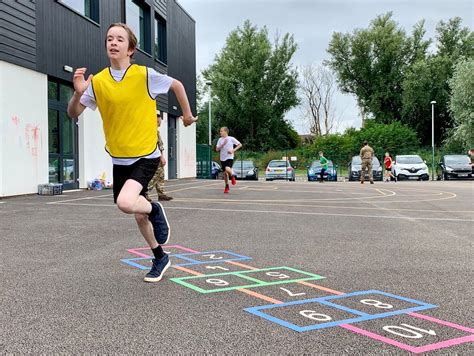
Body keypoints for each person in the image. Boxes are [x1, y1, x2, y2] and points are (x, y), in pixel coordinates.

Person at [67, 23, 197, 283]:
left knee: (126, 203)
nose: (113, 43)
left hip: (145, 154)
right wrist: (78, 93)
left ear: (131, 48)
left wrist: (186, 115)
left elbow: (178, 85)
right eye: (109, 39)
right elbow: (73, 112)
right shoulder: (99, 81)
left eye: (119, 39)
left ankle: (155, 210)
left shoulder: (143, 75)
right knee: (137, 214)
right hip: (120, 157)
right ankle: (160, 256)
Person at [146, 111, 173, 201]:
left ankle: (161, 194)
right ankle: (145, 193)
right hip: (155, 157)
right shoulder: (152, 132)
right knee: (155, 175)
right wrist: (162, 157)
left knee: (160, 175)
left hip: (158, 156)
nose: (160, 122)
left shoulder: (156, 132)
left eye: (160, 121)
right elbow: (157, 146)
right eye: (158, 121)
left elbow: (161, 146)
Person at [216, 127, 242, 193]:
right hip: (222, 158)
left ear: (225, 132)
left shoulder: (231, 138)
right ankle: (226, 186)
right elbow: (217, 149)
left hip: (229, 157)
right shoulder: (220, 140)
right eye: (220, 131)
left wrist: (233, 150)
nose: (220, 132)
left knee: (227, 168)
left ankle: (232, 176)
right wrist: (222, 145)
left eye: (221, 131)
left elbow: (240, 145)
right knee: (225, 173)